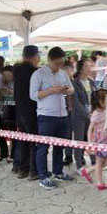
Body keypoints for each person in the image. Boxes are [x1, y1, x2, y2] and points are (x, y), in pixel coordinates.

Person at [30, 46, 75, 190]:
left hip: (62, 114)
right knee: (43, 147)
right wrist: (51, 91)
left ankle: (58, 172)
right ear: (49, 60)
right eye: (57, 63)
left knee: (59, 146)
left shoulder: (62, 73)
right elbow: (33, 95)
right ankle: (43, 176)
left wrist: (66, 90)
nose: (59, 66)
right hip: (46, 115)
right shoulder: (38, 74)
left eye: (61, 63)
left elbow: (72, 89)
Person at [13, 46, 40, 180]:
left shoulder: (17, 70)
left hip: (19, 112)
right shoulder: (34, 72)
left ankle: (22, 169)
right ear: (35, 56)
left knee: (23, 141)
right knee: (34, 141)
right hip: (31, 111)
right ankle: (33, 171)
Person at [71, 59, 97, 182]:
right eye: (87, 66)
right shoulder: (75, 83)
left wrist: (95, 112)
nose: (90, 68)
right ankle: (79, 165)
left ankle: (94, 162)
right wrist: (87, 113)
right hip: (79, 116)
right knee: (79, 140)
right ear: (81, 69)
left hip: (91, 116)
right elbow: (76, 102)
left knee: (91, 140)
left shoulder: (92, 82)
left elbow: (96, 98)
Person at [87, 89, 107, 190]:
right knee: (99, 162)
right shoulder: (96, 114)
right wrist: (90, 144)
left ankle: (88, 171)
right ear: (100, 101)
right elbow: (90, 129)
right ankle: (100, 183)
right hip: (99, 140)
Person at [0, 65, 15, 163]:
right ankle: (4, 153)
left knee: (13, 134)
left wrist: (11, 92)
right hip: (2, 111)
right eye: (5, 75)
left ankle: (12, 154)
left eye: (9, 75)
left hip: (14, 110)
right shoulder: (0, 84)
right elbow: (0, 99)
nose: (7, 77)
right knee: (1, 133)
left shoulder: (17, 84)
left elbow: (20, 96)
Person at [62, 60, 75, 166]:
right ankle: (68, 155)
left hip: (77, 113)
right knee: (67, 134)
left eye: (68, 71)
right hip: (65, 112)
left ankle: (80, 156)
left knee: (80, 135)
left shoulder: (76, 83)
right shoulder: (61, 84)